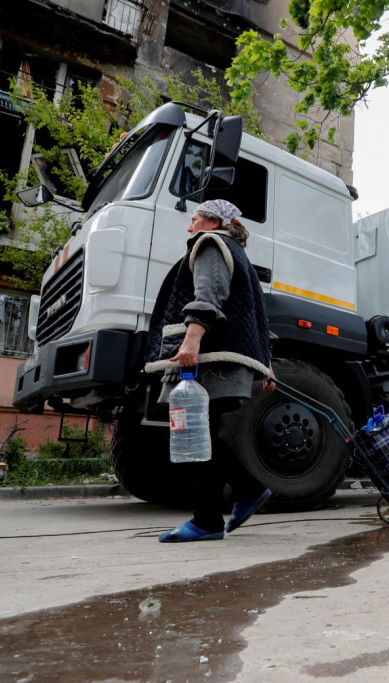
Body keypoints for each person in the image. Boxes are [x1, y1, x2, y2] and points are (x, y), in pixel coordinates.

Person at [146, 199, 275, 543]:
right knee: (205, 434)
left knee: (193, 435)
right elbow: (256, 317)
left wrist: (190, 342)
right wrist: (267, 365)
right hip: (223, 356)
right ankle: (245, 492)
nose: (189, 227)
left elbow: (209, 294)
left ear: (212, 222)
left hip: (208, 357)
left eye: (194, 219)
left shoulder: (211, 244)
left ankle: (208, 519)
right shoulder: (239, 254)